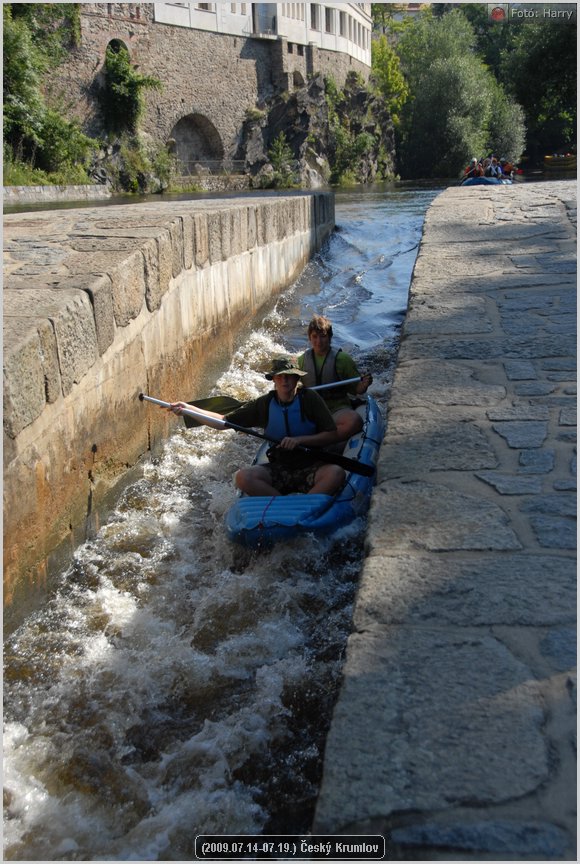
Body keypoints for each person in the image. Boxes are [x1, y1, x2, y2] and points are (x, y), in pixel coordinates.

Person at [168, 356, 345, 497]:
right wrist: (188, 409)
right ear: (274, 379)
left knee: (336, 473)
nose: (285, 381)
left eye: (289, 376)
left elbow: (332, 434)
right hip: (279, 467)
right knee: (242, 478)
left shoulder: (310, 399)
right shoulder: (264, 404)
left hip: (311, 465)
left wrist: (300, 440)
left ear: (296, 378)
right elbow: (223, 421)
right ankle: (281, 505)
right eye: (280, 376)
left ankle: (307, 506)